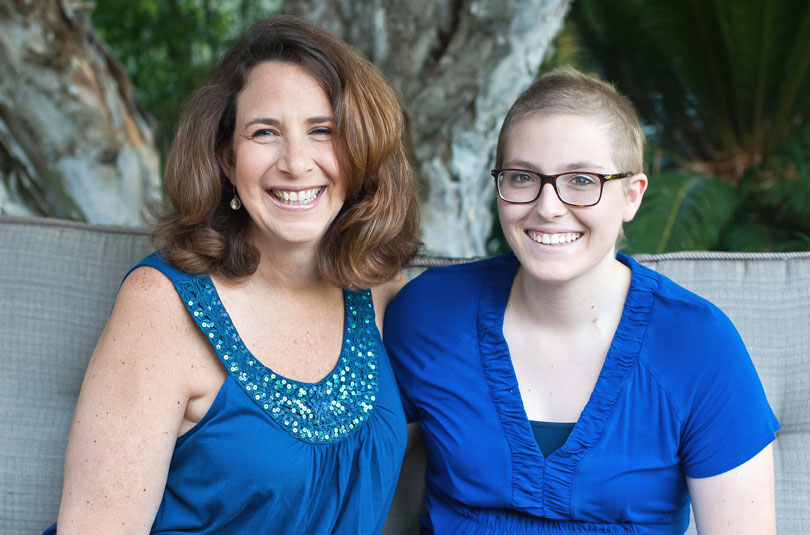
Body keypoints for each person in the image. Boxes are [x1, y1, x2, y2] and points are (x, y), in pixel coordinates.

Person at [45, 15, 420, 535]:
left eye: (323, 131)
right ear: (227, 159)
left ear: (362, 151)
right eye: (265, 132)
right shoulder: (160, 304)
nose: (295, 162)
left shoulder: (384, 293)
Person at [384, 68, 779, 534]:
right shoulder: (428, 313)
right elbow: (348, 467)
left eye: (582, 180)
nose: (548, 206)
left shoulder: (698, 346)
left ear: (632, 196)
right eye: (522, 176)